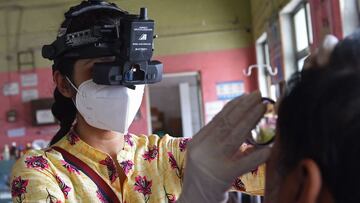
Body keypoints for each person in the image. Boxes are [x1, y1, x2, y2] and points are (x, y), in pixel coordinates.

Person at [10, 1, 269, 202]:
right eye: (102, 70)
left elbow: (279, 173)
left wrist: (304, 105)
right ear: (64, 83)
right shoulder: (41, 171)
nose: (121, 84)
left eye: (131, 70)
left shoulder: (169, 156)